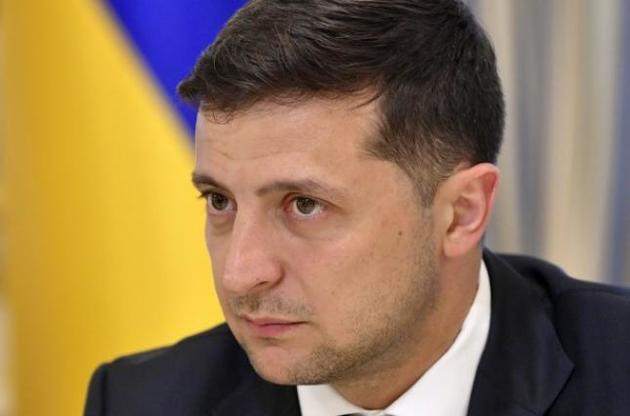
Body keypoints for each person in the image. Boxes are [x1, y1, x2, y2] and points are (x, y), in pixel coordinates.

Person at [84, 1, 630, 415]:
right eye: (220, 201)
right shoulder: (141, 402)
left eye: (304, 205)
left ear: (461, 213)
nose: (240, 273)